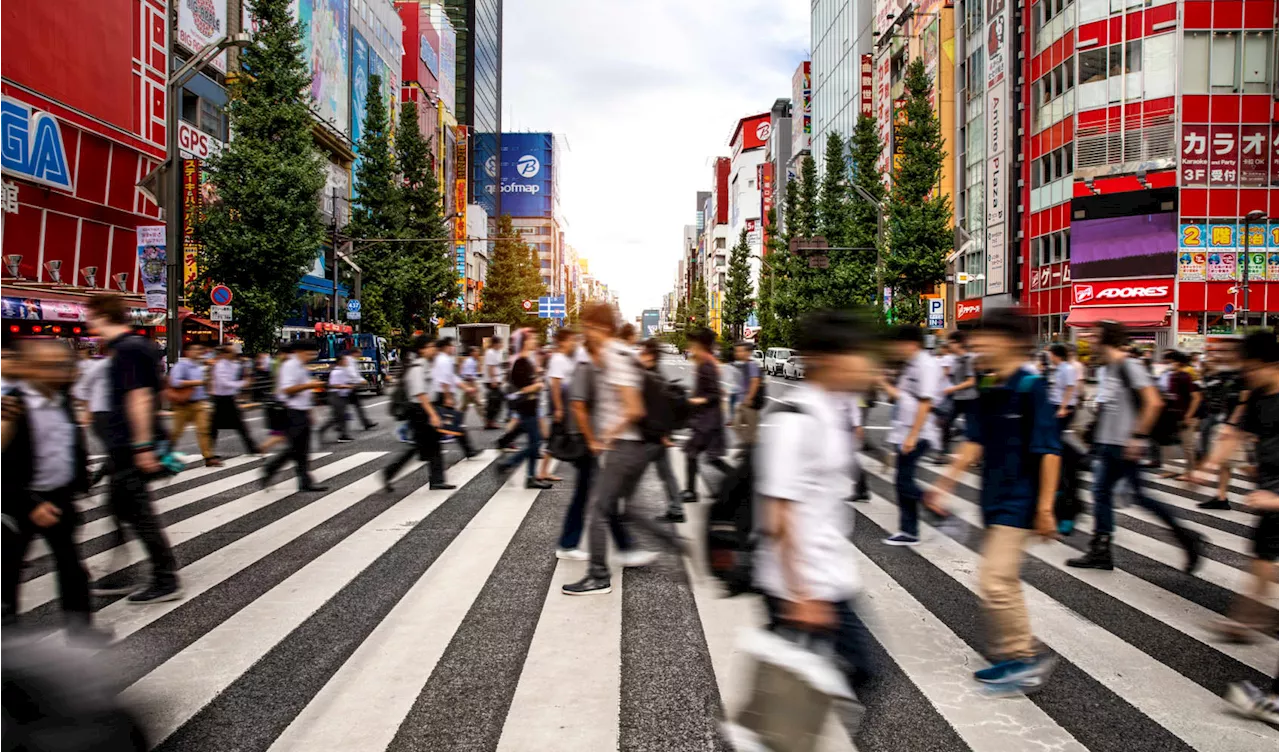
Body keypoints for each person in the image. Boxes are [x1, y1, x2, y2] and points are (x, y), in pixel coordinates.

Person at [925, 311, 1061, 690]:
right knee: (1003, 579)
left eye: (986, 338)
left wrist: (1046, 508)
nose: (978, 345)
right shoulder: (988, 383)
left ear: (1011, 342)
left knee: (995, 579)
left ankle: (1023, 659)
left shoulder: (1031, 386)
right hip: (993, 497)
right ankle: (1017, 656)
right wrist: (944, 483)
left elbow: (1049, 450)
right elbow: (975, 441)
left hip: (1021, 500)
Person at [752, 309, 880, 709]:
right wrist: (801, 594)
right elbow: (778, 514)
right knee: (858, 672)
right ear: (831, 358)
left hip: (826, 574)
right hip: (800, 583)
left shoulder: (834, 408)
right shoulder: (796, 420)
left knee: (798, 687)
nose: (868, 364)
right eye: (860, 354)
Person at [562, 303, 685, 596]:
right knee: (624, 509)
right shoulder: (621, 352)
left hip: (626, 446)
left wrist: (605, 435)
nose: (585, 332)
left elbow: (634, 408)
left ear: (601, 327)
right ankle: (675, 545)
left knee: (599, 509)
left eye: (588, 326)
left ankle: (598, 576)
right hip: (634, 446)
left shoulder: (614, 356)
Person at [1067, 321, 1203, 572]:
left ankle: (1187, 537)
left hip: (1125, 445)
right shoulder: (1106, 368)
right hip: (1107, 444)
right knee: (1101, 493)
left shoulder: (1129, 365)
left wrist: (1138, 437)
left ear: (1106, 338)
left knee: (1138, 496)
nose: (1090, 340)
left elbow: (1153, 403)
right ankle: (1101, 549)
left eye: (1095, 335)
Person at [1195, 331, 1280, 725]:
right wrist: (1210, 467)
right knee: (1261, 554)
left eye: (1249, 365)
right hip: (1270, 492)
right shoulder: (1257, 396)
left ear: (1270, 364)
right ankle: (1250, 620)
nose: (1243, 372)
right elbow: (1232, 434)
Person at [85, 293, 182, 603]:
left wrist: (142, 446)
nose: (89, 324)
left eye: (91, 316)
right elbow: (158, 390)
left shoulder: (127, 349)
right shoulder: (135, 347)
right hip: (124, 447)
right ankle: (127, 574)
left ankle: (165, 578)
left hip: (130, 447)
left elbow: (138, 397)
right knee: (122, 507)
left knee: (138, 512)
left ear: (101, 315)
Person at [0, 338, 97, 637]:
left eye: (61, 365)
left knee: (71, 567)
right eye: (48, 366)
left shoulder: (62, 398)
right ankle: (9, 641)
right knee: (7, 573)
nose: (57, 371)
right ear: (29, 368)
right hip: (17, 503)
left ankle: (80, 629)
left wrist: (80, 481)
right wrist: (30, 505)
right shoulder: (11, 406)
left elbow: (70, 444)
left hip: (59, 497)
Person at [555, 327, 631, 561]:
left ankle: (570, 543)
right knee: (601, 494)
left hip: (591, 440)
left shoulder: (594, 366)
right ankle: (625, 547)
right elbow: (578, 406)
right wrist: (592, 440)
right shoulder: (585, 366)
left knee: (588, 493)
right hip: (585, 442)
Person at [880, 325, 943, 546]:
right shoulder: (911, 365)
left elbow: (926, 402)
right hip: (904, 431)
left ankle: (933, 507)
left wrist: (912, 436)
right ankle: (909, 530)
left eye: (899, 344)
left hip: (918, 433)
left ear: (911, 343)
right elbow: (903, 397)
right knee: (901, 481)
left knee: (904, 481)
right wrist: (882, 383)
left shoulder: (926, 365)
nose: (896, 348)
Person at [384, 337, 453, 492]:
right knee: (422, 446)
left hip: (426, 409)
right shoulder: (416, 368)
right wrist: (433, 415)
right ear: (422, 349)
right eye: (431, 346)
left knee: (430, 445)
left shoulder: (427, 365)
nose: (434, 349)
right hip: (419, 411)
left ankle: (437, 480)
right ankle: (389, 473)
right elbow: (420, 394)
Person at [263, 338, 327, 492]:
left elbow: (303, 393)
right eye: (309, 353)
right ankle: (271, 469)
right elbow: (287, 389)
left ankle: (304, 481)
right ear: (300, 351)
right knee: (295, 448)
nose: (312, 356)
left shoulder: (300, 366)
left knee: (301, 449)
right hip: (292, 412)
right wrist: (310, 385)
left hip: (301, 411)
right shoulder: (290, 366)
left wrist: (310, 409)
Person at [1194, 341, 1248, 510]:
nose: (1220, 354)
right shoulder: (1226, 374)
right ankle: (1221, 496)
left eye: (1225, 351)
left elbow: (1244, 400)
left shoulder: (1244, 373)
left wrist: (1232, 423)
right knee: (1227, 462)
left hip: (1242, 426)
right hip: (1228, 423)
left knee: (1248, 464)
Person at [637, 338, 684, 522]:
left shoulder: (654, 377)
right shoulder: (651, 373)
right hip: (657, 435)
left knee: (633, 472)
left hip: (655, 436)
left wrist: (664, 434)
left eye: (644, 352)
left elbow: (661, 409)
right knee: (666, 473)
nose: (641, 355)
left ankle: (620, 506)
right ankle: (677, 508)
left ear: (651, 355)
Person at [682, 328, 729, 503]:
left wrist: (697, 401)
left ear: (701, 344)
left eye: (694, 343)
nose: (691, 346)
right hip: (707, 420)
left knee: (694, 454)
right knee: (712, 458)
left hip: (707, 421)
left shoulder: (707, 364)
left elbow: (715, 393)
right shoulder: (706, 362)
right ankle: (691, 491)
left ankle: (691, 491)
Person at [500, 333, 552, 489]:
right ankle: (509, 464)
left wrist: (537, 381)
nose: (535, 341)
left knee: (534, 442)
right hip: (526, 409)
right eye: (532, 339)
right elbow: (523, 388)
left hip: (531, 408)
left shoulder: (528, 361)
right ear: (525, 342)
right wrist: (537, 385)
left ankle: (530, 477)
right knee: (536, 443)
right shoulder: (520, 363)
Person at [1047, 344, 1082, 534]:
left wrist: (1063, 407)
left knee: (1059, 447)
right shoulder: (1056, 369)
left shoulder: (1067, 369)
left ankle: (1066, 509)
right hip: (1055, 407)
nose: (1048, 357)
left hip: (1064, 408)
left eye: (1050, 354)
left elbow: (1070, 388)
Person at [168, 341, 220, 467]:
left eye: (200, 349)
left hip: (199, 403)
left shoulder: (200, 365)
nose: (199, 352)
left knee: (204, 430)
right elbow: (175, 382)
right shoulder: (181, 365)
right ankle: (163, 453)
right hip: (183, 405)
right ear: (188, 352)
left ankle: (208, 457)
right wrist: (196, 382)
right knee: (176, 432)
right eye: (195, 349)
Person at [538, 329, 577, 483]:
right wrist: (559, 408)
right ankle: (543, 472)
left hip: (565, 404)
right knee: (557, 438)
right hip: (560, 405)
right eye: (570, 340)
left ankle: (544, 471)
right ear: (562, 342)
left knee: (557, 438)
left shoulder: (564, 358)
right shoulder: (558, 359)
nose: (572, 343)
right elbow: (555, 384)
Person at [210, 345, 260, 455]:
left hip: (230, 398)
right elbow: (224, 383)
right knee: (215, 427)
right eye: (231, 352)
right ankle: (209, 451)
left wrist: (246, 370)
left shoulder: (234, 364)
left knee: (240, 425)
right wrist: (242, 383)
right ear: (224, 354)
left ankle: (252, 448)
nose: (234, 355)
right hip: (220, 399)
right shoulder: (220, 366)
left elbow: (243, 371)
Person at [938, 331, 978, 460]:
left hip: (971, 399)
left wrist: (952, 388)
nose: (949, 345)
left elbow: (971, 381)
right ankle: (943, 453)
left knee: (973, 429)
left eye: (952, 342)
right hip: (957, 398)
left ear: (959, 343)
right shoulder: (954, 359)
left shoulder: (969, 359)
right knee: (945, 423)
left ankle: (978, 457)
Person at [319, 350, 359, 443]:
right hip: (336, 395)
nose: (347, 361)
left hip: (342, 395)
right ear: (340, 361)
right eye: (345, 360)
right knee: (340, 416)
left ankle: (326, 431)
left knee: (337, 417)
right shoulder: (336, 372)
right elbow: (333, 385)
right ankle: (343, 435)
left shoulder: (342, 370)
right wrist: (347, 386)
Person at [733, 341, 764, 446]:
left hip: (750, 404)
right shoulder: (744, 365)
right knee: (736, 425)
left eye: (740, 351)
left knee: (752, 430)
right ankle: (748, 445)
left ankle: (752, 449)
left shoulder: (752, 365)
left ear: (748, 352)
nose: (737, 353)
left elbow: (755, 381)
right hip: (742, 402)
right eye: (737, 351)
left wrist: (749, 398)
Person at [483, 337, 506, 429]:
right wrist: (494, 380)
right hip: (491, 381)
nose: (501, 345)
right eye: (500, 343)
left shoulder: (497, 352)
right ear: (495, 344)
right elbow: (490, 367)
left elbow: (498, 366)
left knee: (495, 401)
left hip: (496, 380)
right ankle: (490, 422)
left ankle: (490, 421)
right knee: (494, 401)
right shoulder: (490, 352)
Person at [457, 346, 484, 425]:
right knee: (477, 403)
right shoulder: (470, 361)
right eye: (476, 351)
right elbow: (468, 375)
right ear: (472, 353)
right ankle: (486, 421)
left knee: (465, 405)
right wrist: (472, 387)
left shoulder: (473, 361)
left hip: (470, 383)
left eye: (478, 351)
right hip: (469, 383)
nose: (478, 353)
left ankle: (457, 420)